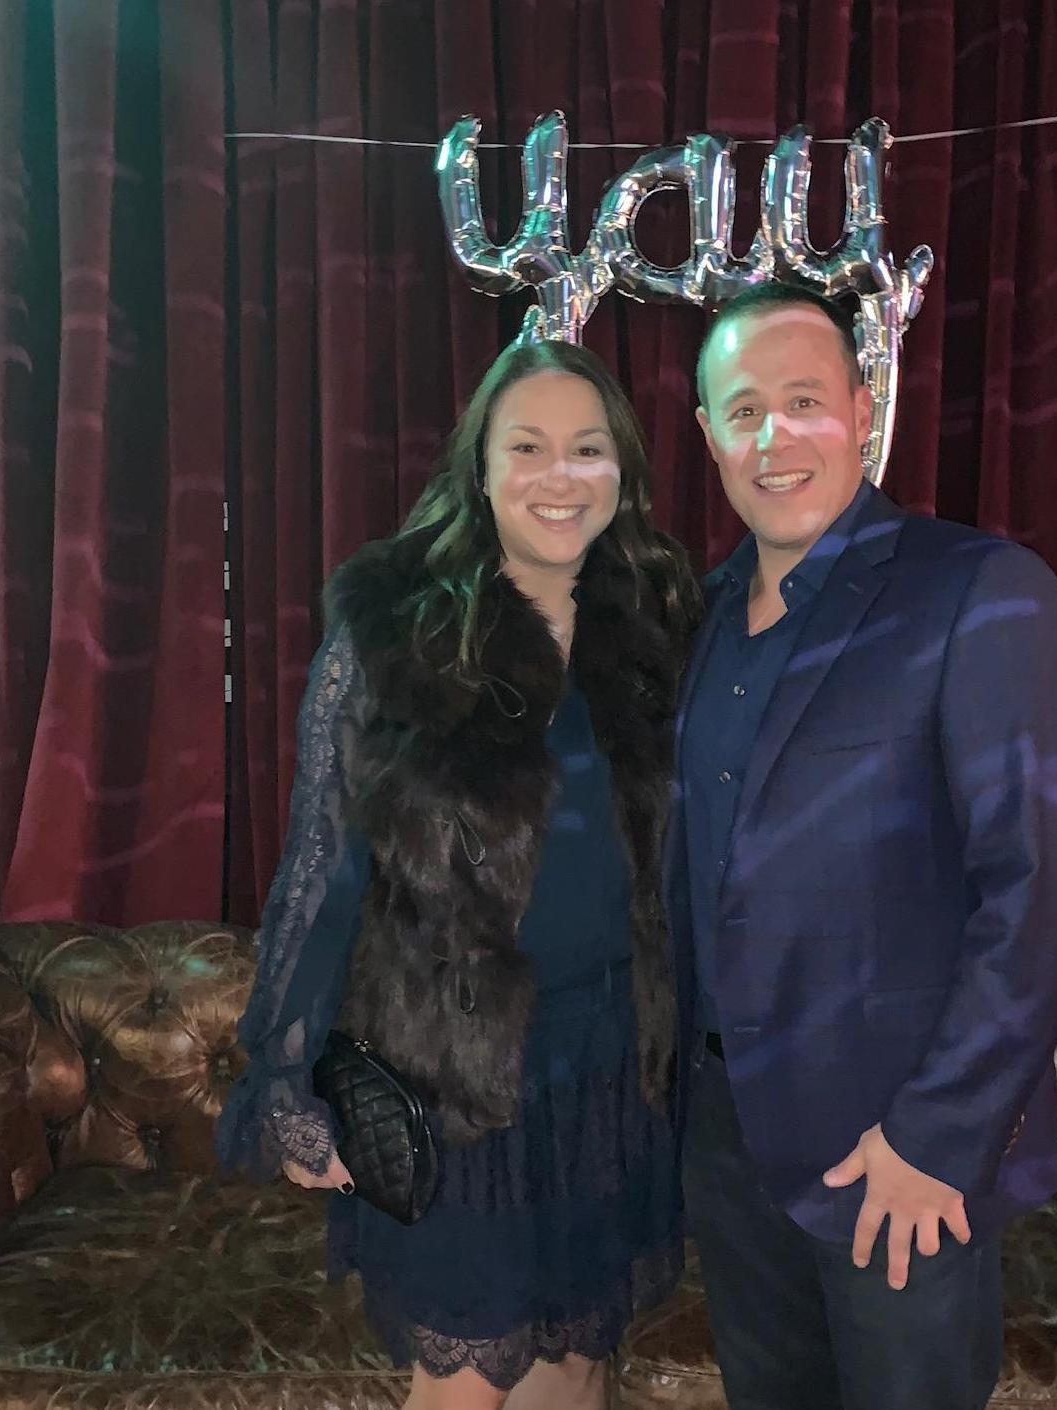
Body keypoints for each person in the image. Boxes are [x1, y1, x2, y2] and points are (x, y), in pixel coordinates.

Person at [216, 339, 700, 1410]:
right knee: (464, 1386)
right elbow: (322, 864)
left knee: (576, 1364)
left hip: (613, 1063)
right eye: (526, 447)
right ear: (479, 467)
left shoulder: (658, 624)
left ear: (622, 470)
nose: (558, 475)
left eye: (587, 448)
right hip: (452, 1074)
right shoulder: (398, 627)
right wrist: (287, 1078)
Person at [672, 283, 1057, 1410]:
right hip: (728, 1148)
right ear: (708, 434)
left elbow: (1045, 891)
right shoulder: (696, 619)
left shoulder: (976, 590)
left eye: (805, 400)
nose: (775, 436)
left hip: (894, 1155)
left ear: (863, 412)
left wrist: (937, 1138)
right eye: (744, 410)